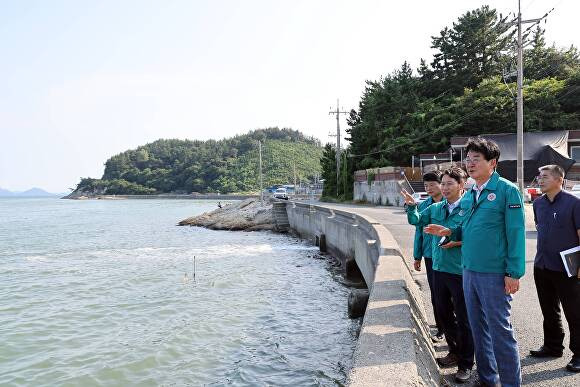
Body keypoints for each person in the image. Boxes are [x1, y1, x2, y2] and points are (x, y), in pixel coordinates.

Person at [424, 138, 525, 387]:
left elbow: (516, 233)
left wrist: (514, 272)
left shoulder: (506, 190)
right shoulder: (471, 193)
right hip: (468, 270)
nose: (470, 163)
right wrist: (448, 232)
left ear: (492, 162)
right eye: (467, 159)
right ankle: (489, 378)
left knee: (500, 332)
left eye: (476, 159)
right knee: (478, 329)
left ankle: (511, 383)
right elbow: (465, 229)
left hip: (494, 272)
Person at [402, 167, 474, 383]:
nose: (444, 187)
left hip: (461, 269)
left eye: (450, 183)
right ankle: (454, 350)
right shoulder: (435, 208)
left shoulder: (470, 207)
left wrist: (457, 240)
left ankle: (466, 363)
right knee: (443, 313)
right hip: (439, 269)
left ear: (462, 186)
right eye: (443, 183)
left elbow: (475, 235)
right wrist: (412, 207)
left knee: (464, 318)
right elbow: (416, 221)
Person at [530, 164, 580, 373]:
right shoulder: (538, 203)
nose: (540, 180)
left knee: (575, 312)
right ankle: (552, 346)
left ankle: (579, 354)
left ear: (559, 180)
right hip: (542, 265)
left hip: (568, 268)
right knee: (548, 310)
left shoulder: (574, 203)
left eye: (545, 176)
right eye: (539, 176)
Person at [411, 171, 444, 341]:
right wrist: (417, 256)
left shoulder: (450, 203)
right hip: (430, 255)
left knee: (453, 294)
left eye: (432, 184)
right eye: (426, 185)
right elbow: (419, 232)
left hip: (449, 254)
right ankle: (440, 328)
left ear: (441, 184)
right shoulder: (424, 206)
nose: (429, 188)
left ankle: (454, 327)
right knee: (436, 293)